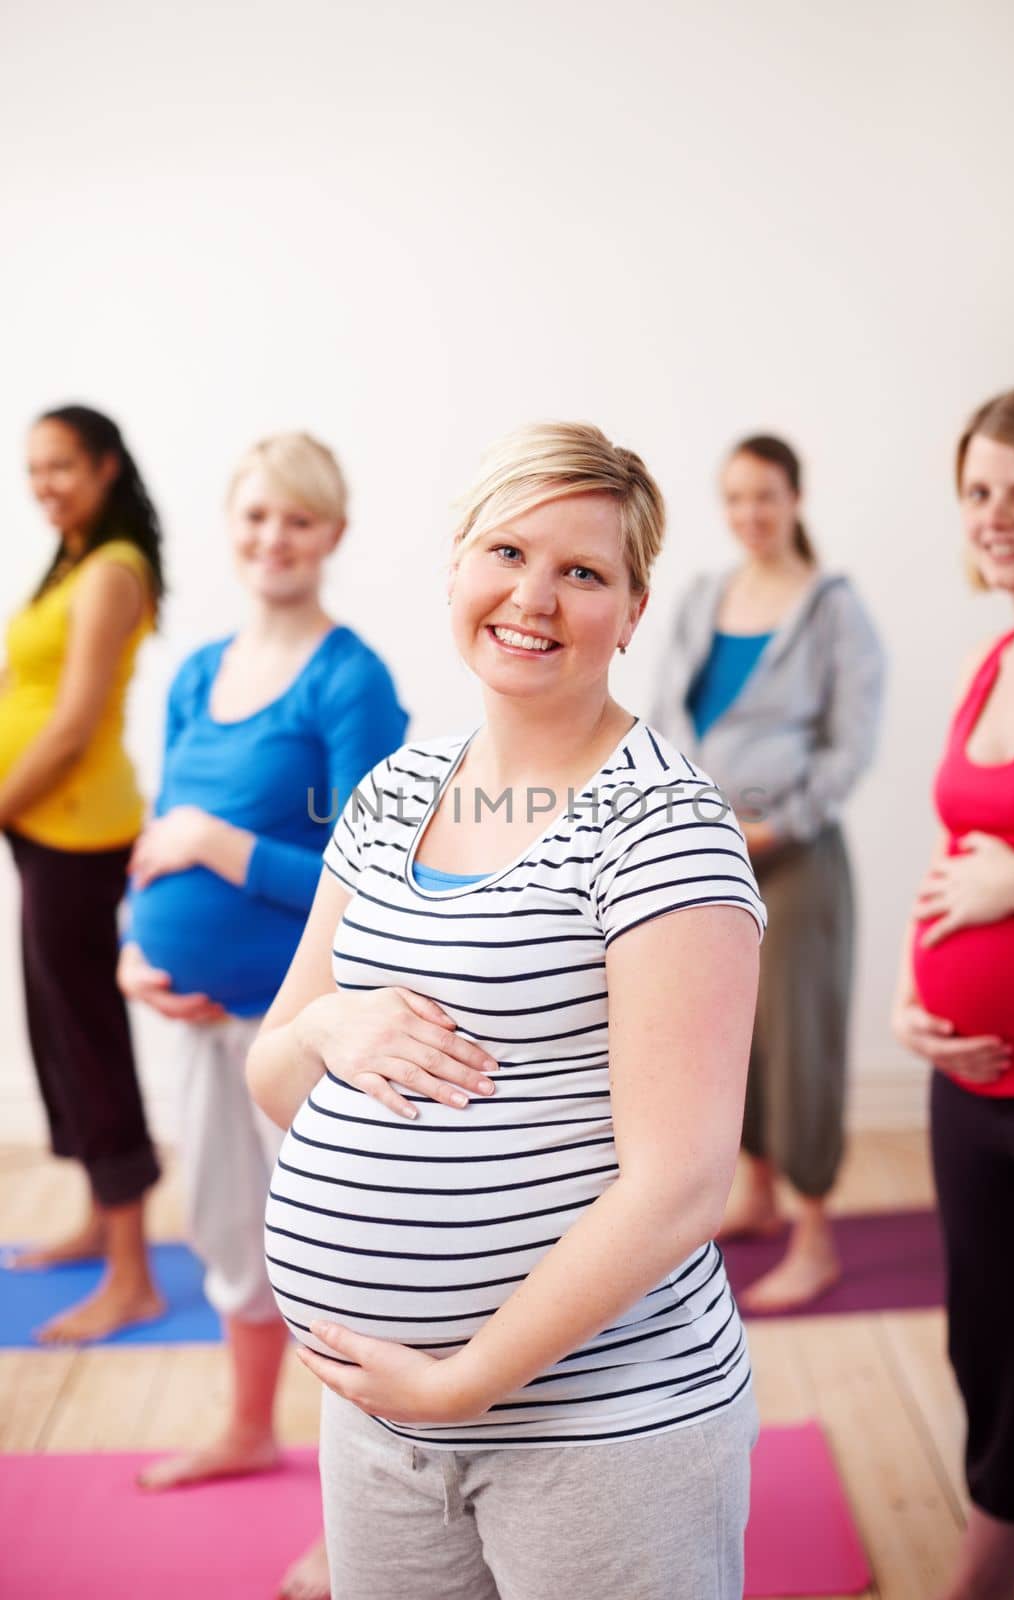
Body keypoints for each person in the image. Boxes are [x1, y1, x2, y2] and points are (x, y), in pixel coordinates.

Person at [247, 421, 767, 1600]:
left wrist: (465, 1377)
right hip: (377, 1417)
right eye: (506, 552)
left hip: (604, 1428)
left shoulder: (661, 827)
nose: (532, 597)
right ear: (455, 566)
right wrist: (332, 1027)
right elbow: (273, 1070)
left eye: (582, 572)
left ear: (631, 611)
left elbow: (682, 1181)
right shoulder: (390, 791)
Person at [118, 433, 407, 1600]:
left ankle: (364, 1522)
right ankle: (248, 1426)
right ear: (228, 530)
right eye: (253, 519)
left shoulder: (351, 678)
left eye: (296, 520)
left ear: (331, 534)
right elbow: (155, 830)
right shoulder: (196, 672)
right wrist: (141, 948)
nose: (272, 540)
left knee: (336, 1262)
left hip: (304, 1024)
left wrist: (220, 847)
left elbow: (371, 865)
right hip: (194, 1013)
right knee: (230, 1235)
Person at [893, 384, 1014, 1600]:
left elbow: (1006, 869)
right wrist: (916, 1005)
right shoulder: (990, 656)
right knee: (991, 1345)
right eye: (977, 492)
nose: (996, 515)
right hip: (967, 1079)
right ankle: (985, 1576)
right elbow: (961, 860)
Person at [651, 435, 884, 1312]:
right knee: (730, 1037)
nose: (750, 515)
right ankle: (751, 1194)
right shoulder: (706, 595)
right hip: (708, 855)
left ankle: (814, 1236)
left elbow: (849, 746)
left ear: (795, 498)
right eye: (735, 499)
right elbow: (672, 711)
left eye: (765, 497)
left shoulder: (832, 608)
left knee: (799, 1045)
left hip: (796, 862)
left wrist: (775, 826)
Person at [2, 404, 165, 1343]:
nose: (44, 484)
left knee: (88, 1038)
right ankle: (100, 1226)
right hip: (40, 829)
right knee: (55, 1034)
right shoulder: (67, 562)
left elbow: (69, 728)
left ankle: (135, 1275)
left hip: (75, 831)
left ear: (106, 467)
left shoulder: (111, 571)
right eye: (33, 468)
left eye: (61, 465)